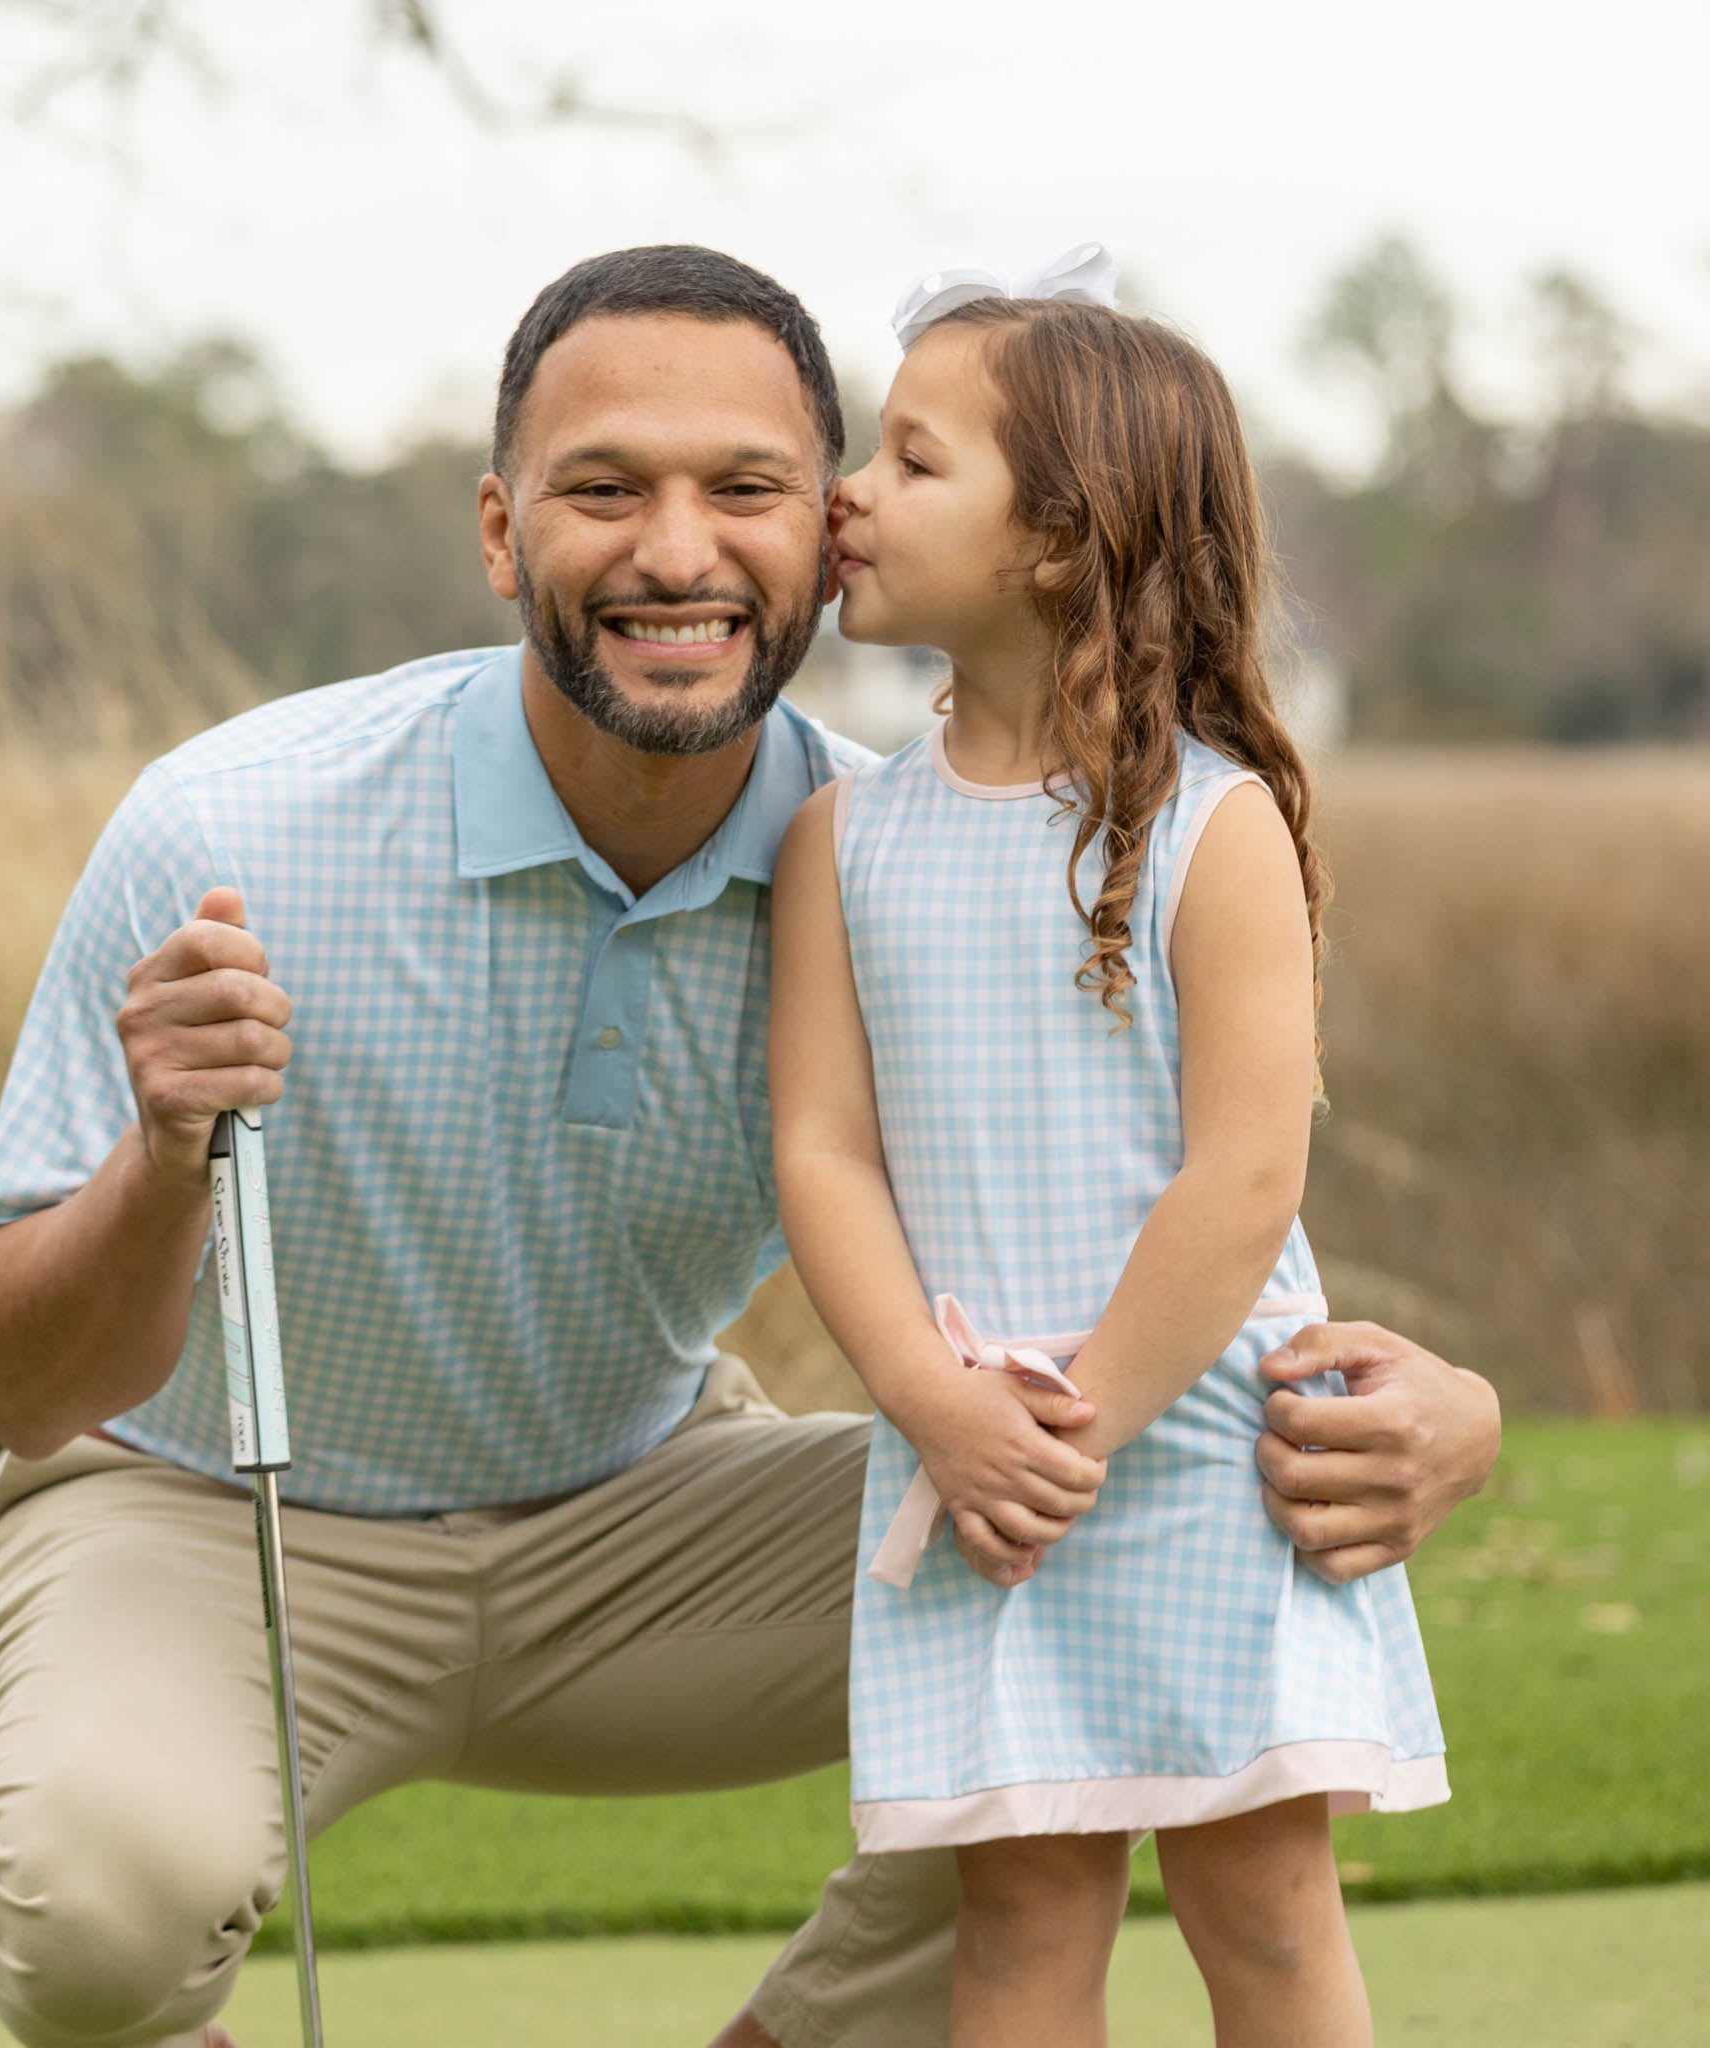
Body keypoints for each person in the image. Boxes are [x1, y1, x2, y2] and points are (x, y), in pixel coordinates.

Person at [0, 244, 1497, 2048]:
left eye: (747, 488)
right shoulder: (230, 829)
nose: (679, 550)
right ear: (505, 533)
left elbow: (1165, 1178)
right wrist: (163, 1152)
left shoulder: (879, 836)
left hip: (650, 1516)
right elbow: (11, 1371)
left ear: (814, 532)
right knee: (92, 1919)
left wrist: (1456, 1413)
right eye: (607, 490)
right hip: (224, 1512)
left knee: (1073, 1668)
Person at [769, 254, 1446, 2048]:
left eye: (913, 462)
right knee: (1021, 1913)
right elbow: (823, 1154)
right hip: (969, 1452)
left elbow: (1243, 1182)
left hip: (1205, 1447)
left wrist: (1070, 1429)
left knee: (1268, 1908)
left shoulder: (1213, 830)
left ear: (1061, 539)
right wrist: (939, 1405)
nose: (850, 491)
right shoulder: (845, 842)